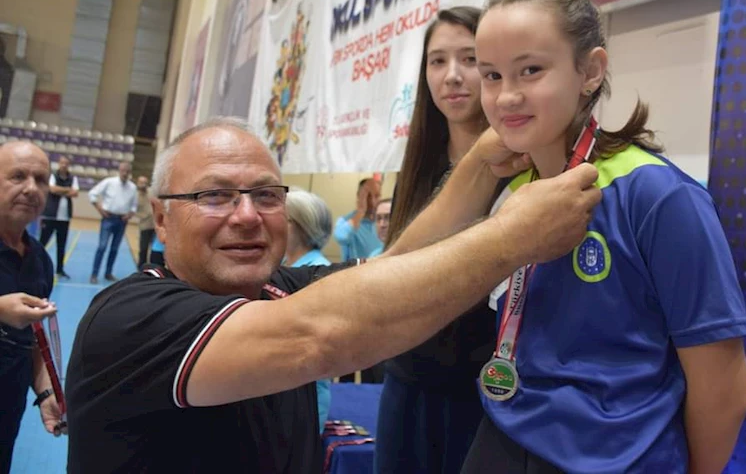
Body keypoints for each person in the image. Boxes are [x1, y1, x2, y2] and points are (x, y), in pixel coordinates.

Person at [65, 117, 601, 473]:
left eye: (266, 195)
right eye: (215, 196)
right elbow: (318, 338)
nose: (247, 215)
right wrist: (511, 239)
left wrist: (479, 170)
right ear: (161, 217)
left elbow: (398, 268)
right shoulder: (130, 318)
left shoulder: (276, 290)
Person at [459, 0, 746, 474]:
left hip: (619, 459)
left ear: (590, 71)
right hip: (503, 440)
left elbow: (724, 388)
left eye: (530, 70)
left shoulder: (658, 197)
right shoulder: (514, 191)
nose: (506, 96)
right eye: (491, 76)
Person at [376, 6, 497, 474]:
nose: (452, 76)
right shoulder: (418, 167)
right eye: (437, 61)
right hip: (408, 381)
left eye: (469, 59)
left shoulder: (518, 165)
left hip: (486, 389)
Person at [0, 141, 66, 474]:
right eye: (18, 176)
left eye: (40, 179)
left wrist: (44, 393)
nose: (31, 188)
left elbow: (34, 338)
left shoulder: (40, 260)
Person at [284, 189, 334, 433]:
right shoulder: (286, 267)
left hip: (304, 404)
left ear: (301, 226)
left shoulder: (317, 273)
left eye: (283, 218)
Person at [88, 161, 137, 283]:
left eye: (127, 171)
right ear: (119, 170)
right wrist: (99, 209)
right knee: (102, 246)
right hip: (108, 218)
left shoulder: (133, 187)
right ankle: (94, 274)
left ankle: (108, 273)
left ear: (130, 173)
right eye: (123, 171)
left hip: (122, 220)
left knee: (114, 248)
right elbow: (92, 194)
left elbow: (134, 206)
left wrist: (129, 215)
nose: (125, 173)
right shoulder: (109, 182)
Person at [39, 155, 79, 279]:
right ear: (58, 164)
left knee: (61, 245)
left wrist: (60, 190)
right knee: (42, 244)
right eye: (62, 163)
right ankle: (36, 266)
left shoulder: (73, 178)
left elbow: (75, 192)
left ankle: (60, 269)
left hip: (64, 218)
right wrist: (67, 190)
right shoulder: (52, 175)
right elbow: (52, 189)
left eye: (66, 163)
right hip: (50, 216)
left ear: (69, 165)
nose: (63, 165)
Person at [333, 178, 382, 260]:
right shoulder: (346, 221)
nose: (373, 201)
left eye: (376, 196)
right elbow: (341, 237)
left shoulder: (382, 222)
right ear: (359, 196)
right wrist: (361, 211)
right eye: (368, 196)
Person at [134, 176, 155, 265]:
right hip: (144, 226)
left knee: (155, 250)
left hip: (155, 226)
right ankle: (141, 269)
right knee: (143, 249)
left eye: (145, 182)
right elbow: (132, 210)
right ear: (137, 183)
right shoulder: (135, 195)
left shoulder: (152, 192)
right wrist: (144, 216)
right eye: (141, 182)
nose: (143, 185)